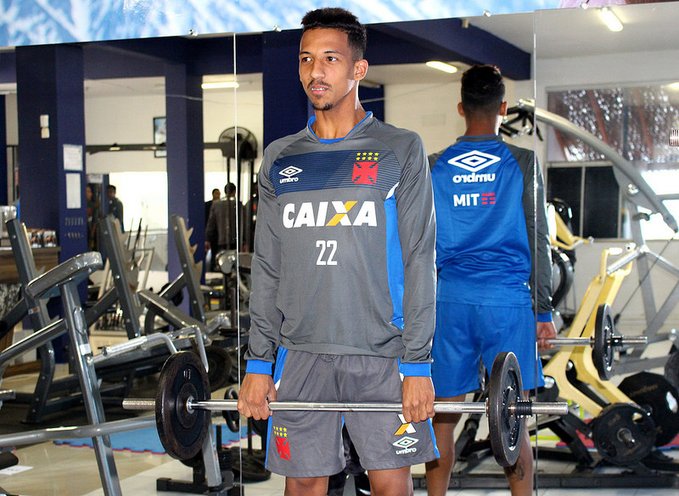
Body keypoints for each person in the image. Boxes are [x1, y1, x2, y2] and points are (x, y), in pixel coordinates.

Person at [237, 7, 438, 496]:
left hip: (381, 352)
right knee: (304, 484)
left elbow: (419, 258)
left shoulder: (400, 149)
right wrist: (258, 363)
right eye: (306, 59)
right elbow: (267, 267)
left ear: (358, 69)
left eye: (330, 59)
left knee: (389, 484)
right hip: (301, 352)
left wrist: (417, 364)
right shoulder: (280, 157)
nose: (316, 71)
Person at [424, 65, 557, 496]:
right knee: (512, 421)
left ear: (460, 108)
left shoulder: (435, 165)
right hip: (506, 304)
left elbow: (419, 246)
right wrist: (543, 311)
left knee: (442, 419)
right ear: (503, 108)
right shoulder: (522, 162)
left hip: (450, 302)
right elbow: (537, 236)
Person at [205, 182, 242, 256]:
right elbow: (242, 223)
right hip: (236, 240)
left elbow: (211, 224)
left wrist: (207, 239)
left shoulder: (216, 204)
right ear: (234, 191)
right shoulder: (238, 204)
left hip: (220, 240)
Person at [85, 184, 99, 251]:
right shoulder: (83, 206)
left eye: (90, 192)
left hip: (91, 232)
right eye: (88, 192)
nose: (90, 194)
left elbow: (95, 220)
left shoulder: (93, 205)